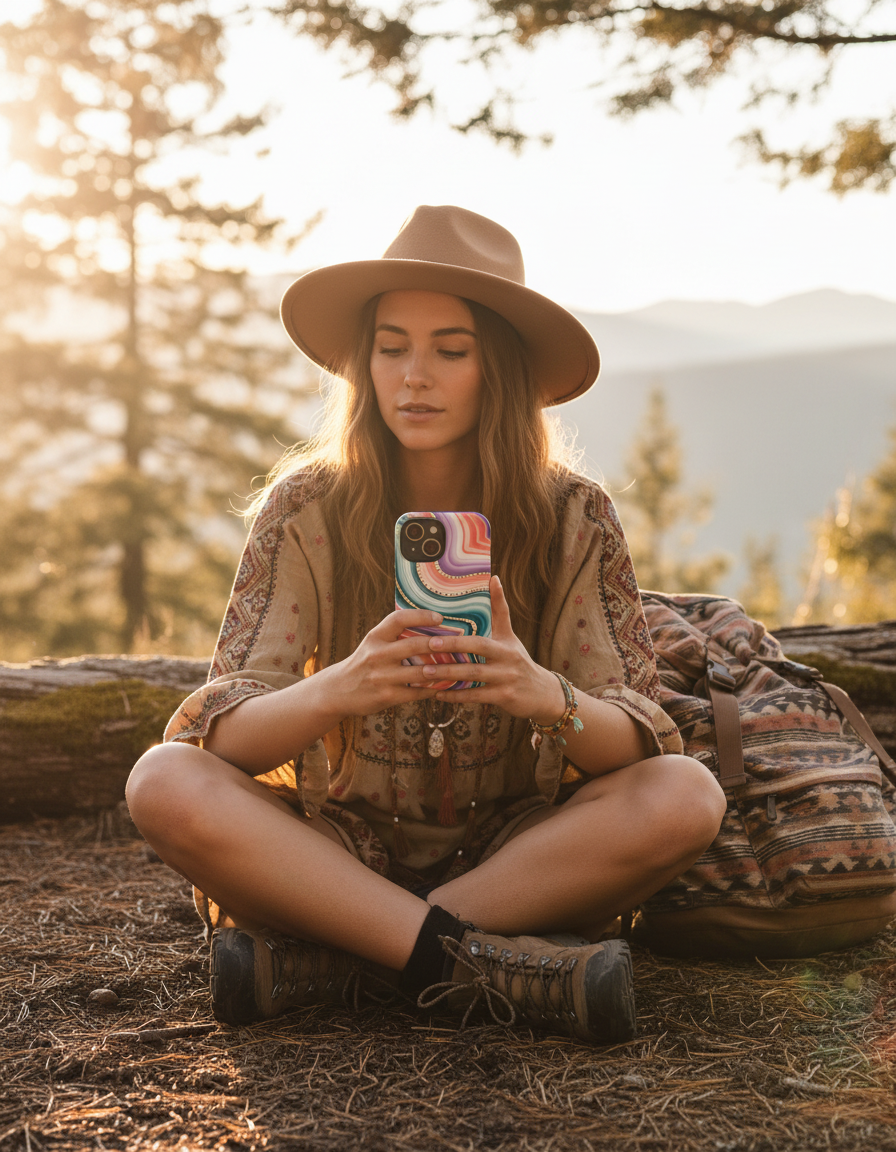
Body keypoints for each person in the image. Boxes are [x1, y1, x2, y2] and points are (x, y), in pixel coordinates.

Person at [126, 205, 726, 1044]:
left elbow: (638, 744)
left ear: (499, 369)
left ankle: (348, 957)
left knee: (687, 795)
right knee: (162, 780)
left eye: (450, 351)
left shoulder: (574, 515)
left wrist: (541, 694)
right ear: (364, 363)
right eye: (390, 347)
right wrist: (341, 688)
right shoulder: (304, 509)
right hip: (336, 850)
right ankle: (485, 961)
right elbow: (223, 738)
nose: (413, 376)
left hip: (521, 858)